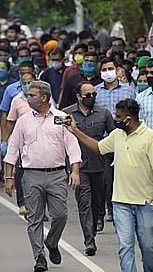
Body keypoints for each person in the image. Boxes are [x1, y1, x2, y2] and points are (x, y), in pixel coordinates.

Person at [64, 99, 153, 272]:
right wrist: (75, 130)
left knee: (148, 248)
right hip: (121, 202)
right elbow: (98, 147)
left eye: (118, 117)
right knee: (125, 247)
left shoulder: (149, 137)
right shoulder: (117, 135)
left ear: (128, 119)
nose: (115, 119)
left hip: (146, 203)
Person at [4, 81, 81, 272]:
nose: (28, 98)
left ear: (44, 98)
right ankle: (39, 258)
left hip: (56, 174)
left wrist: (76, 171)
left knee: (61, 215)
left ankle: (52, 242)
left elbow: (72, 146)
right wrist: (8, 177)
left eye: (32, 95)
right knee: (34, 219)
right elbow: (13, 149)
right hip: (31, 175)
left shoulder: (62, 118)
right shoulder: (23, 121)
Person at [63, 81, 115, 255]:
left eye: (94, 94)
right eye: (87, 95)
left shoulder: (103, 113)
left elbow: (114, 137)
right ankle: (89, 240)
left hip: (100, 165)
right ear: (78, 96)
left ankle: (94, 225)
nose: (91, 97)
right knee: (84, 203)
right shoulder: (67, 114)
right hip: (78, 166)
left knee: (97, 203)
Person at [95, 57, 136, 225]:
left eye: (110, 69)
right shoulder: (96, 91)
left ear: (117, 69)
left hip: (125, 141)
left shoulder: (128, 90)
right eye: (104, 70)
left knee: (121, 177)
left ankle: (116, 210)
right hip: (104, 141)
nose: (107, 72)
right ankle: (101, 213)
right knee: (104, 180)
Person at [5, 72, 35, 216]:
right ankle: (22, 202)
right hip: (22, 143)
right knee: (21, 172)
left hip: (39, 142)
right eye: (24, 83)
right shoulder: (17, 100)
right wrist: (6, 140)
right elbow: (10, 121)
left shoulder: (43, 99)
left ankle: (37, 206)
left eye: (30, 82)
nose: (27, 86)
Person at [137, 59, 153, 128]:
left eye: (152, 73)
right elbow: (138, 123)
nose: (149, 76)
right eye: (147, 73)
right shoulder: (140, 97)